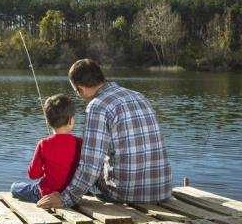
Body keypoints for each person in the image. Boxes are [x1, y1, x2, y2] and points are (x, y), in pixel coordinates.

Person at [37, 58, 172, 209]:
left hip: (126, 194)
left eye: (77, 92)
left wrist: (66, 198)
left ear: (81, 88)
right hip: (161, 190)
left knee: (76, 167)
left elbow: (90, 164)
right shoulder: (139, 96)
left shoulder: (97, 106)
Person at [10, 94, 83, 203]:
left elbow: (33, 174)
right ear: (71, 120)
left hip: (44, 194)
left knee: (14, 187)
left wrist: (44, 168)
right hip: (70, 195)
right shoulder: (80, 143)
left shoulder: (43, 144)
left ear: (48, 121)